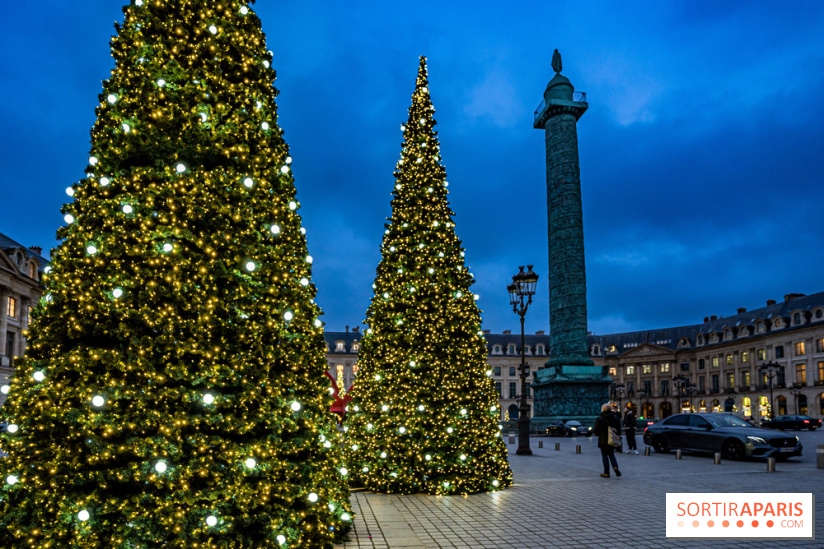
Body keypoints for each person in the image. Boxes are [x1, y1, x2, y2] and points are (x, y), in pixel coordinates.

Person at [593, 402, 622, 478]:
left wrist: (597, 434)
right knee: (611, 454)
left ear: (603, 409)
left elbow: (596, 430)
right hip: (612, 439)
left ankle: (606, 472)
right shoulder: (615, 418)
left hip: (603, 439)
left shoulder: (600, 418)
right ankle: (615, 467)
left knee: (604, 455)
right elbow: (619, 429)